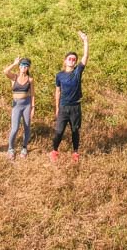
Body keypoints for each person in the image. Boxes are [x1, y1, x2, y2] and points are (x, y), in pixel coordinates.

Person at [50, 31, 88, 163]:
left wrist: (85, 41)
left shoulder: (78, 72)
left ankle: (75, 152)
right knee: (59, 132)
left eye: (74, 59)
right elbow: (57, 92)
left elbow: (85, 57)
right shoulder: (59, 75)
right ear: (65, 61)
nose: (72, 61)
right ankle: (54, 151)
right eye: (70, 59)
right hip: (63, 107)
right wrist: (57, 108)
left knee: (75, 130)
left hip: (75, 107)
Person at [4, 56, 34, 160]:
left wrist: (32, 107)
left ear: (28, 68)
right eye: (22, 65)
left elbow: (32, 95)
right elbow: (5, 71)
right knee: (15, 128)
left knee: (27, 127)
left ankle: (24, 148)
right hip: (16, 105)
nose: (24, 67)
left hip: (27, 105)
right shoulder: (14, 77)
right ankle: (11, 149)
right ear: (19, 67)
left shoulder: (30, 80)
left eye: (26, 66)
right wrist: (14, 63)